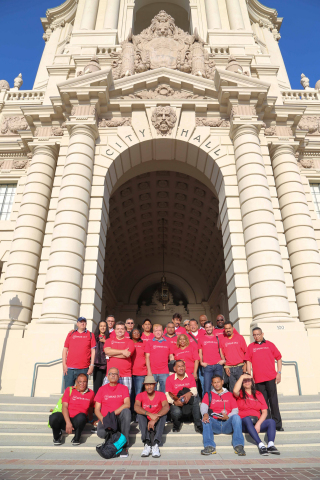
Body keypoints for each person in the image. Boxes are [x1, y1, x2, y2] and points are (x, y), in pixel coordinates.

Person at [245, 327, 283, 431]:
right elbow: (248, 361)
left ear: (262, 334)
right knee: (263, 404)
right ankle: (268, 424)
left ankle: (278, 424)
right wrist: (249, 375)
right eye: (254, 335)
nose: (256, 336)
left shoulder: (270, 344)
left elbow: (279, 358)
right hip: (258, 380)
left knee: (273, 401)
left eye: (258, 334)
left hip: (271, 377)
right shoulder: (251, 347)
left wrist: (278, 373)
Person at [234, 374, 280, 456]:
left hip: (256, 424)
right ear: (242, 383)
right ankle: (261, 445)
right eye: (245, 380)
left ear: (252, 382)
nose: (247, 382)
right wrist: (241, 377)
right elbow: (234, 391)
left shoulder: (258, 394)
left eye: (249, 380)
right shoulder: (240, 394)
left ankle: (270, 445)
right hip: (244, 423)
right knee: (247, 419)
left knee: (271, 422)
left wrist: (258, 423)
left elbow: (265, 411)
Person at [200, 375, 245, 456]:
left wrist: (228, 416)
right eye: (214, 382)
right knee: (205, 419)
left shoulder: (230, 394)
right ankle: (209, 446)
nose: (217, 384)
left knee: (236, 417)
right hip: (215, 423)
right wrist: (205, 414)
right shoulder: (209, 394)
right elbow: (203, 406)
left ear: (222, 382)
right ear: (212, 384)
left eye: (218, 382)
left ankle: (239, 446)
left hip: (227, 423)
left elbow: (235, 410)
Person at [49, 373, 94, 445]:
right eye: (80, 382)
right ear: (76, 382)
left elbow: (91, 407)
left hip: (78, 421)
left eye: (84, 382)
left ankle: (77, 438)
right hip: (66, 420)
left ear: (87, 382)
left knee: (82, 416)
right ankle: (57, 437)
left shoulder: (91, 393)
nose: (82, 384)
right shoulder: (69, 390)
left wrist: (91, 420)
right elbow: (64, 407)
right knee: (54, 417)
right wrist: (68, 422)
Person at [95, 367, 131, 458]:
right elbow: (96, 409)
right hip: (105, 419)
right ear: (107, 376)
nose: (113, 375)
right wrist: (104, 419)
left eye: (115, 374)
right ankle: (117, 438)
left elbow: (127, 404)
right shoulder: (101, 389)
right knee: (101, 433)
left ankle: (124, 443)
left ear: (119, 376)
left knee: (126, 411)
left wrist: (112, 415)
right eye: (111, 374)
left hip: (118, 419)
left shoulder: (124, 388)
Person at [134, 375, 169, 458]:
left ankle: (155, 444)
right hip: (146, 421)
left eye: (151, 384)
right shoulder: (140, 395)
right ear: (144, 386)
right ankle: (147, 443)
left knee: (163, 415)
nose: (149, 387)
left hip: (157, 421)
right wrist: (149, 414)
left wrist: (155, 419)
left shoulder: (161, 394)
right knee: (140, 414)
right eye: (147, 385)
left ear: (155, 385)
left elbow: (166, 407)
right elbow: (136, 407)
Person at [166, 360, 202, 433]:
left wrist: (190, 393)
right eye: (179, 366)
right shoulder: (169, 378)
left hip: (188, 400)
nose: (181, 368)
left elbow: (194, 390)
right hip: (176, 401)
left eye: (182, 366)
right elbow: (167, 394)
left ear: (185, 367)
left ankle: (198, 425)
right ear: (175, 369)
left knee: (195, 400)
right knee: (176, 412)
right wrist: (174, 402)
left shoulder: (190, 376)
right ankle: (176, 425)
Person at [62, 317, 96, 388]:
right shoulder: (71, 334)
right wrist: (64, 365)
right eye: (80, 322)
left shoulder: (90, 335)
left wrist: (92, 365)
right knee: (68, 392)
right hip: (70, 368)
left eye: (84, 322)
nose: (82, 323)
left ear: (86, 324)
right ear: (77, 323)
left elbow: (93, 351)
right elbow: (65, 349)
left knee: (82, 393)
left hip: (84, 368)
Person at [103, 321, 135, 394]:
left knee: (125, 399)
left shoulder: (130, 341)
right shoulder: (109, 340)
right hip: (110, 374)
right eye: (118, 329)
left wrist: (112, 354)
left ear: (125, 330)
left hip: (125, 375)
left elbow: (127, 354)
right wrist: (122, 351)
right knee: (107, 396)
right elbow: (107, 351)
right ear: (114, 330)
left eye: (122, 329)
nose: (120, 331)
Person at [220, 320, 247, 394]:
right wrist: (226, 367)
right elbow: (222, 355)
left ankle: (243, 405)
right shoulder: (222, 341)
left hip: (240, 367)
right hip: (230, 369)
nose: (228, 330)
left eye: (229, 328)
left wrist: (246, 365)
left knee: (242, 389)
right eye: (226, 328)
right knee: (233, 390)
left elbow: (246, 352)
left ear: (232, 328)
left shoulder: (240, 338)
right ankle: (235, 405)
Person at [199, 321, 225, 396]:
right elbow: (200, 353)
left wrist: (223, 360)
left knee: (219, 387)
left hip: (218, 366)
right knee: (207, 388)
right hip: (207, 367)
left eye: (210, 327)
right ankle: (208, 405)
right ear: (204, 329)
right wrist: (201, 362)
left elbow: (220, 351)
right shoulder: (201, 339)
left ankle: (218, 404)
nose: (208, 329)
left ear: (213, 327)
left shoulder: (218, 338)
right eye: (206, 327)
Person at [145, 324, 172, 393]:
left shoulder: (168, 342)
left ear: (163, 332)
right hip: (152, 372)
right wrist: (149, 371)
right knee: (152, 393)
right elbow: (147, 357)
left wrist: (171, 371)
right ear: (153, 332)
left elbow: (171, 357)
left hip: (164, 372)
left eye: (159, 330)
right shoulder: (149, 342)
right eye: (156, 331)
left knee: (165, 392)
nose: (158, 332)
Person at [188, 319, 205, 394]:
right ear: (188, 326)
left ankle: (204, 398)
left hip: (203, 361)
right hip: (192, 362)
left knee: (203, 380)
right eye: (191, 325)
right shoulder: (187, 336)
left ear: (197, 325)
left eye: (194, 325)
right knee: (194, 381)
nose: (193, 326)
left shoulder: (203, 333)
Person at [93, 320, 109, 394]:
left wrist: (105, 341)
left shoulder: (109, 337)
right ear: (98, 327)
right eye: (101, 326)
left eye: (104, 326)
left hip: (107, 364)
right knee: (97, 385)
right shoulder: (94, 337)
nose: (103, 327)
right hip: (97, 364)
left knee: (105, 386)